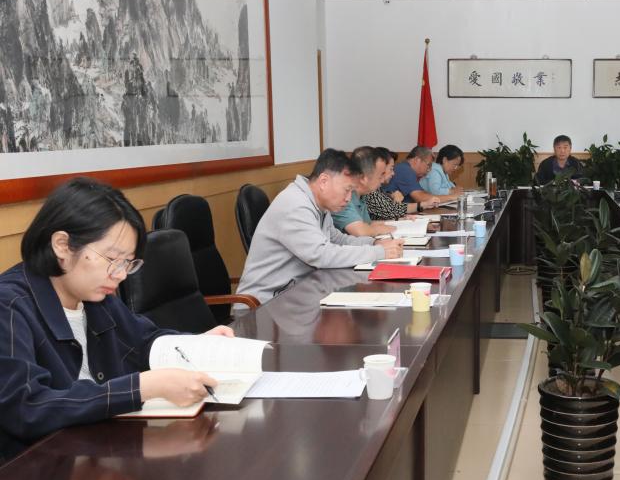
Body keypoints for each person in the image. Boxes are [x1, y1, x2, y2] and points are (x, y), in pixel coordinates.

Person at [0, 178, 234, 461]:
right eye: (113, 259)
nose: (121, 274)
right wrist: (142, 387)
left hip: (101, 452)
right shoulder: (9, 306)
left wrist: (196, 345)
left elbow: (143, 341)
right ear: (62, 245)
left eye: (127, 263)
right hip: (39, 467)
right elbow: (26, 407)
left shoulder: (96, 295)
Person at [237, 149, 404, 304]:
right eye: (346, 190)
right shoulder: (295, 204)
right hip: (265, 305)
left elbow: (337, 239)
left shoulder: (318, 204)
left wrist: (373, 243)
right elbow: (321, 254)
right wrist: (378, 252)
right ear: (324, 181)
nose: (348, 198)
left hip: (299, 294)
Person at [332, 147, 399, 237]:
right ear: (363, 178)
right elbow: (361, 231)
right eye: (380, 176)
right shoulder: (343, 196)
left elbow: (367, 224)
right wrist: (387, 228)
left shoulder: (361, 195)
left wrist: (399, 222)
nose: (382, 180)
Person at [366, 148, 438, 220]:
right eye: (391, 168)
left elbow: (392, 209)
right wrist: (423, 204)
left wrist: (424, 204)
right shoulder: (370, 191)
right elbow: (391, 210)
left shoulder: (378, 189)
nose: (393, 173)